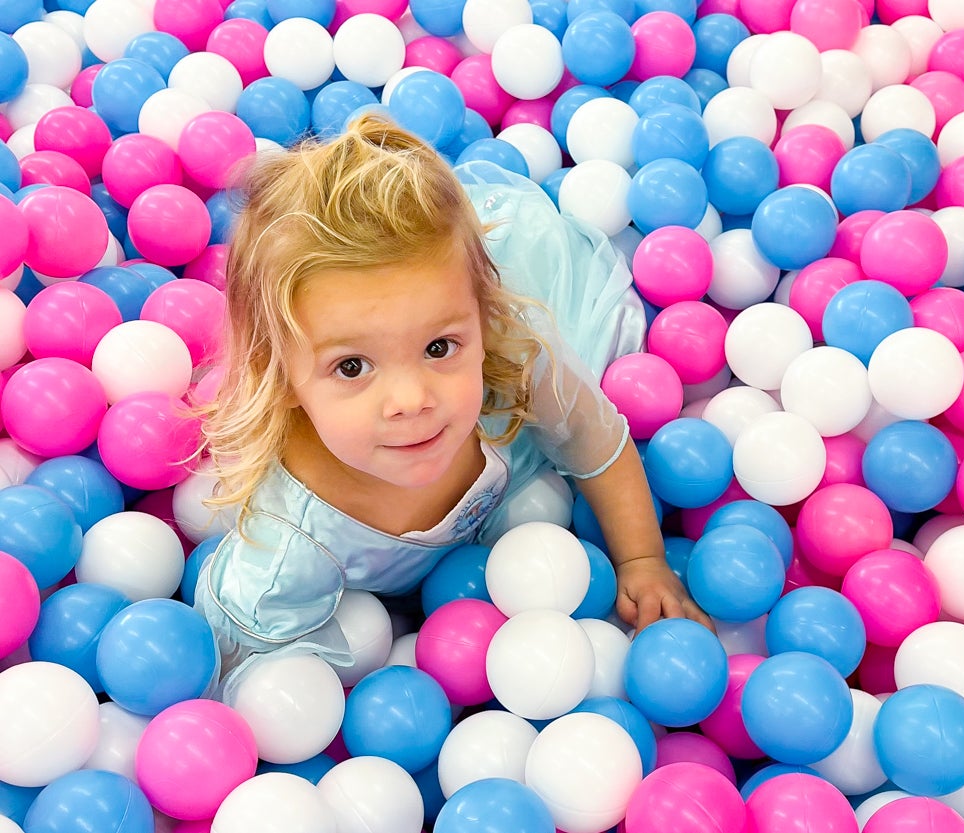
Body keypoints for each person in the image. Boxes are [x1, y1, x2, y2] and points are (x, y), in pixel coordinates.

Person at [193, 113, 710, 697]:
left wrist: (642, 558)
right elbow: (240, 664)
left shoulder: (511, 362)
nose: (412, 400)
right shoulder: (290, 542)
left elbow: (598, 442)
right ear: (283, 377)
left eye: (439, 347)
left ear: (481, 323)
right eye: (352, 367)